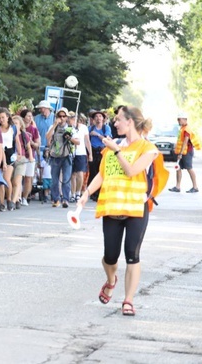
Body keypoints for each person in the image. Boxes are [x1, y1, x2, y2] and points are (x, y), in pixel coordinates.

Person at [78, 106, 160, 317]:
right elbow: (103, 174)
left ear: (130, 122)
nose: (115, 123)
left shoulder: (147, 148)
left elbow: (132, 171)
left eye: (118, 120)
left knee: (132, 254)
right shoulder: (112, 147)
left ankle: (128, 300)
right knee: (110, 256)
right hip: (112, 207)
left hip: (135, 208)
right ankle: (111, 280)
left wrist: (116, 150)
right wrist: (86, 192)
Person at [46, 107, 79, 208]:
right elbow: (47, 137)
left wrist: (70, 137)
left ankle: (65, 199)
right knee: (54, 179)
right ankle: (56, 199)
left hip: (66, 156)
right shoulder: (53, 127)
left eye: (63, 116)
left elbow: (78, 142)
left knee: (66, 178)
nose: (61, 118)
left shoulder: (70, 128)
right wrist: (55, 124)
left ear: (67, 117)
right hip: (55, 156)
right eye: (59, 116)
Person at [169, 113, 200, 193]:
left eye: (179, 119)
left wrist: (180, 154)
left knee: (189, 168)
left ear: (184, 119)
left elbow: (185, 142)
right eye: (177, 119)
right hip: (181, 151)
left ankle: (195, 187)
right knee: (178, 168)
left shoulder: (187, 129)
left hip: (187, 152)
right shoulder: (182, 128)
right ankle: (177, 187)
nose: (178, 121)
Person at [88, 109, 111, 201]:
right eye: (96, 117)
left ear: (103, 119)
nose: (98, 118)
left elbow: (107, 139)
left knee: (101, 172)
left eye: (100, 116)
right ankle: (93, 193)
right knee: (92, 172)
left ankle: (101, 192)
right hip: (93, 151)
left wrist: (97, 134)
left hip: (103, 151)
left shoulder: (106, 128)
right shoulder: (90, 128)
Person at [70, 112, 92, 202]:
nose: (72, 120)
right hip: (71, 153)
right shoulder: (69, 128)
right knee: (72, 174)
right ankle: (73, 193)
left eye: (74, 118)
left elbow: (87, 141)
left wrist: (90, 153)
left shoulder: (83, 127)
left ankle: (78, 192)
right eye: (71, 118)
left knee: (80, 173)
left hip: (81, 152)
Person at [20, 109, 40, 205]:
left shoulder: (33, 129)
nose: (30, 118)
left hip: (30, 156)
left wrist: (31, 142)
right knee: (19, 177)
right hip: (20, 155)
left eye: (31, 116)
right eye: (28, 116)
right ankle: (18, 196)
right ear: (23, 117)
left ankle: (25, 197)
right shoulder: (19, 128)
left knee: (28, 177)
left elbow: (37, 144)